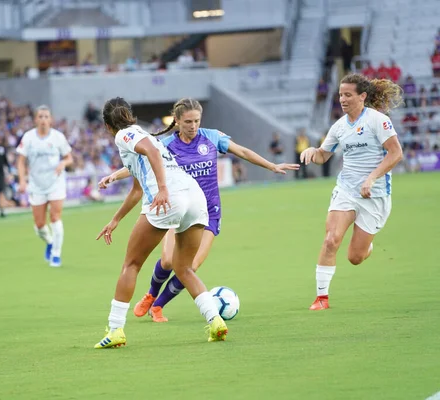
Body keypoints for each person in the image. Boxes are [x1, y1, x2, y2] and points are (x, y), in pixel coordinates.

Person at [100, 98, 299, 322]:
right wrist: (115, 175)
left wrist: (271, 165)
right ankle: (151, 294)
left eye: (196, 121)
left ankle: (157, 305)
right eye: (187, 121)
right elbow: (143, 161)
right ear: (176, 121)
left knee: (189, 267)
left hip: (207, 212)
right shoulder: (166, 144)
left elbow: (241, 151)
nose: (193, 126)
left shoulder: (211, 137)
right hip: (176, 206)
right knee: (167, 261)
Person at [94, 97, 228, 349]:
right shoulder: (142, 137)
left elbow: (153, 154)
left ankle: (115, 330)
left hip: (170, 197)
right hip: (195, 198)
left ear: (108, 125)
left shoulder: (124, 135)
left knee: (131, 265)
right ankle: (215, 320)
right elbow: (136, 189)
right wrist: (115, 220)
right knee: (184, 268)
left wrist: (163, 189)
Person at [300, 73, 404, 310]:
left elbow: (396, 153)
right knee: (330, 240)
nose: (342, 99)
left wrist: (371, 178)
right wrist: (311, 151)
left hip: (374, 195)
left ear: (362, 96)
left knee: (355, 258)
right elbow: (323, 155)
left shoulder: (378, 120)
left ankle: (367, 247)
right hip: (346, 190)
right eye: (340, 95)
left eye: (348, 95)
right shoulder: (338, 126)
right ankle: (321, 298)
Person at [16, 106, 73, 268]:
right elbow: (20, 161)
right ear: (35, 119)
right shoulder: (28, 138)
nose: (43, 119)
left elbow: (69, 157)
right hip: (36, 185)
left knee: (55, 217)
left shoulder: (58, 137)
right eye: (40, 116)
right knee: (39, 224)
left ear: (51, 120)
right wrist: (22, 180)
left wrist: (63, 162)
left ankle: (56, 254)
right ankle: (49, 241)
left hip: (55, 183)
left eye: (46, 116)